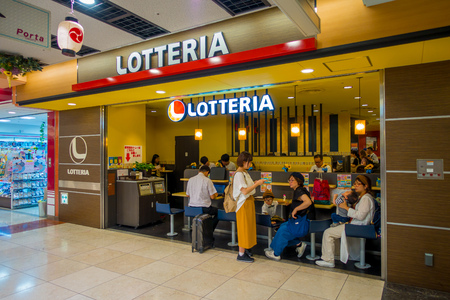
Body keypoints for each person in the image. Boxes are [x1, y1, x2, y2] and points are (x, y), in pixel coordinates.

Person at [315, 175, 376, 268]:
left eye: (358, 184)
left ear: (366, 186)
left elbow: (360, 216)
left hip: (359, 227)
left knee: (328, 233)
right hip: (358, 225)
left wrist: (346, 208)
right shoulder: (363, 197)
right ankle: (334, 256)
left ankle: (328, 260)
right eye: (355, 184)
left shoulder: (366, 199)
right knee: (333, 229)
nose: (355, 186)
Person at [265, 172, 315, 261]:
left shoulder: (299, 191)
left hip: (301, 222)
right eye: (289, 180)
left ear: (298, 182)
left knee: (283, 232)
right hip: (301, 220)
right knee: (282, 227)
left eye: (292, 180)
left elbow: (308, 202)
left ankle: (276, 254)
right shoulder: (301, 190)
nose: (290, 182)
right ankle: (299, 244)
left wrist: (295, 209)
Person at [233, 151, 266, 263]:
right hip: (243, 204)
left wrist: (255, 183)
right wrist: (257, 184)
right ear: (244, 162)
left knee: (249, 227)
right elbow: (245, 190)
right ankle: (241, 254)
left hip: (248, 202)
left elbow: (248, 187)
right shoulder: (238, 174)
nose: (250, 164)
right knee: (243, 228)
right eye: (249, 162)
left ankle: (246, 249)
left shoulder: (245, 173)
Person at [186, 165, 219, 233]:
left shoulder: (191, 179)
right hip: (204, 208)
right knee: (219, 213)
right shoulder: (207, 180)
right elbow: (212, 196)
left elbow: (187, 195)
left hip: (192, 208)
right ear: (207, 172)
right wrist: (216, 194)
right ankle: (209, 230)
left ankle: (201, 230)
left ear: (199, 171)